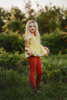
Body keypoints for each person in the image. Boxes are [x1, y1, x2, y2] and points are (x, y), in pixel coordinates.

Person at [25, 20, 50, 89]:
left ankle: (38, 85)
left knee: (40, 72)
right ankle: (34, 88)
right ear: (28, 28)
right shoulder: (28, 36)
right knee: (33, 71)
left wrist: (45, 47)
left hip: (37, 54)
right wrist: (28, 50)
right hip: (32, 54)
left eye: (34, 26)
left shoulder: (36, 35)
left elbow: (37, 45)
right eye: (30, 26)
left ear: (36, 27)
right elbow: (26, 47)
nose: (32, 28)